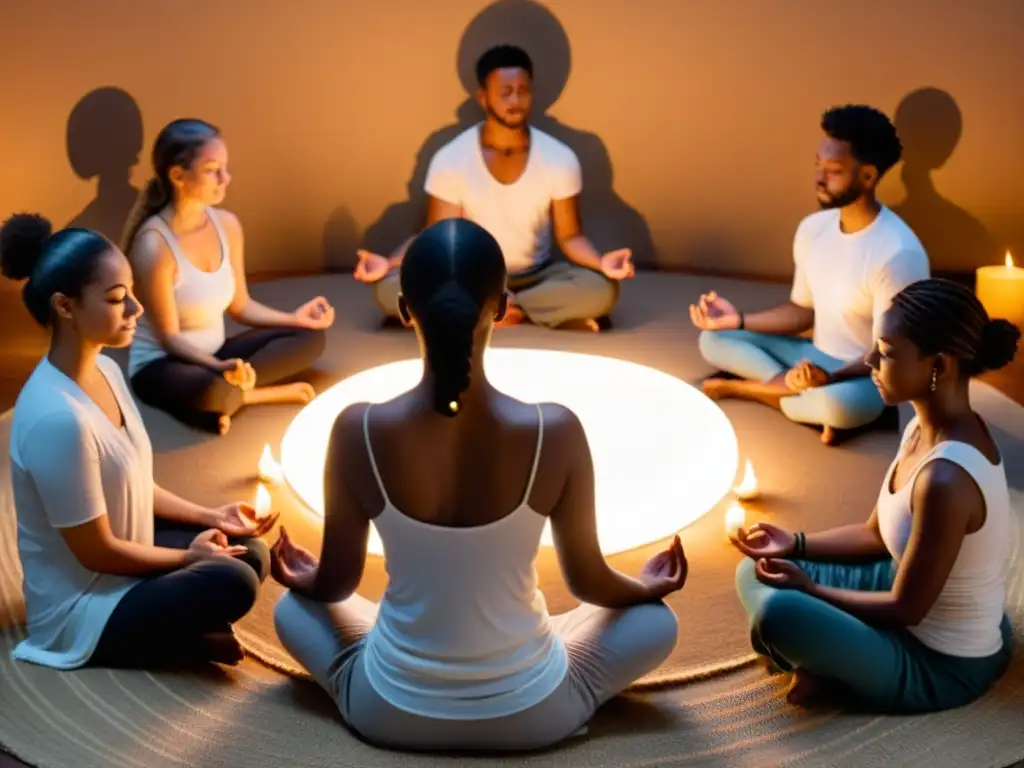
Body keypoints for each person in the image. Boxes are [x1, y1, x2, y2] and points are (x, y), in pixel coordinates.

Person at [271, 218, 681, 753]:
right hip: (533, 715)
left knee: (290, 609)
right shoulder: (552, 430)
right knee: (655, 622)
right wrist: (644, 589)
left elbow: (338, 585)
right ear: (502, 306)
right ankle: (522, 651)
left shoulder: (358, 430)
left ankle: (436, 643)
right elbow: (589, 584)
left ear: (403, 309)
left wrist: (309, 579)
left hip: (388, 711)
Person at [0, 214, 279, 670]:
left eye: (130, 292)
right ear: (65, 307)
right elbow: (97, 552)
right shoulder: (56, 419)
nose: (137, 307)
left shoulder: (107, 370)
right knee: (234, 581)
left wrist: (212, 516)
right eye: (117, 298)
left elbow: (132, 482)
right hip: (86, 603)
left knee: (249, 550)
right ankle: (173, 637)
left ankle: (181, 629)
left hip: (130, 550)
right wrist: (188, 557)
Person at [733, 278, 1019, 713]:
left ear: (938, 366)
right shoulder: (921, 429)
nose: (868, 361)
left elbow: (907, 609)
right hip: (901, 587)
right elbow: (873, 534)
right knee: (755, 570)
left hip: (939, 663)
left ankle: (827, 665)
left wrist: (811, 588)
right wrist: (794, 543)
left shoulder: (946, 478)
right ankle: (829, 660)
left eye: (884, 353)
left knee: (779, 617)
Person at [691, 105, 930, 445]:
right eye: (818, 165)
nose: (818, 178)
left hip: (865, 375)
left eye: (832, 170)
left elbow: (891, 353)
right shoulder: (813, 229)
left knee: (837, 407)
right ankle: (790, 394)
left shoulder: (898, 253)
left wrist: (829, 377)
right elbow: (801, 311)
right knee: (713, 339)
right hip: (812, 358)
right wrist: (737, 320)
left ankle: (745, 389)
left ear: (868, 176)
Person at [354, 45, 634, 332]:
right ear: (483, 97)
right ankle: (508, 307)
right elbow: (434, 236)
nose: (516, 100)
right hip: (469, 275)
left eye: (523, 90)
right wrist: (388, 264)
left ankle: (497, 308)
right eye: (505, 92)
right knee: (389, 291)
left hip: (538, 278)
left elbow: (571, 237)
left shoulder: (559, 157)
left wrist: (602, 263)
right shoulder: (452, 158)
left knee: (602, 291)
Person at [122, 118, 335, 435]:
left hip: (217, 354)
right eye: (212, 170)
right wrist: (218, 368)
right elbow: (170, 339)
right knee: (209, 389)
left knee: (311, 338)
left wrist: (295, 319)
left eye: (225, 167)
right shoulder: (154, 244)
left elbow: (241, 306)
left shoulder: (228, 225)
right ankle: (247, 395)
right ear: (178, 176)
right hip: (163, 365)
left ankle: (229, 397)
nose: (226, 178)